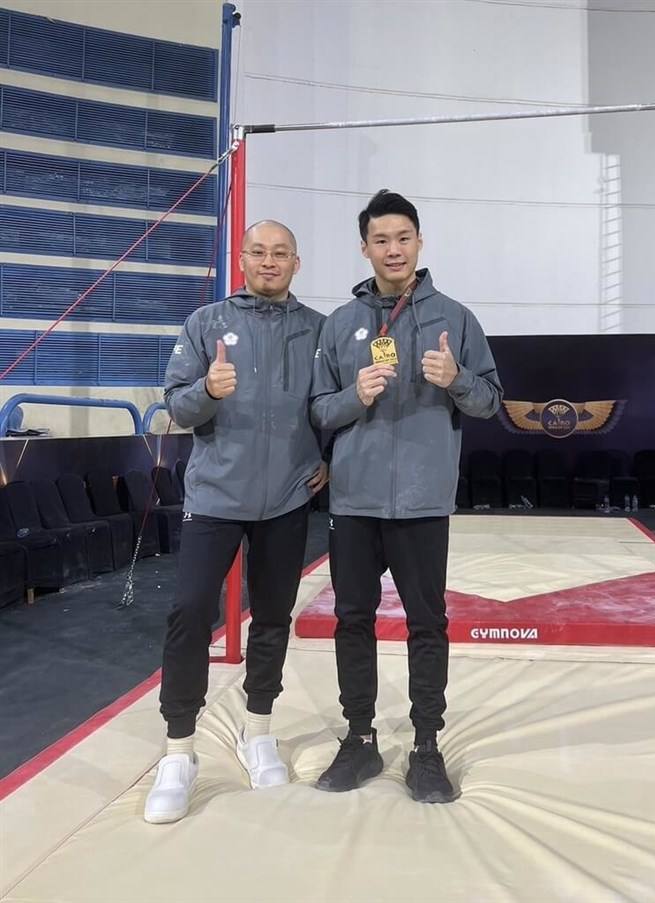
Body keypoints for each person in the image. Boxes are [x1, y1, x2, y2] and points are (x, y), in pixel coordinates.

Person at [310, 190, 502, 803]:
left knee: (427, 623)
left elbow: (492, 401)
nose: (393, 249)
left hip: (422, 501)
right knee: (352, 621)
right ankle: (360, 740)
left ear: (419, 242)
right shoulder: (339, 325)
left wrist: (458, 381)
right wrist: (353, 397)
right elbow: (318, 410)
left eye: (403, 238)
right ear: (364, 248)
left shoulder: (457, 318)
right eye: (380, 240)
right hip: (356, 503)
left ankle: (425, 747)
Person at [144, 220, 327, 824]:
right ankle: (179, 752)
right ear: (242, 258)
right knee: (190, 612)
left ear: (296, 263)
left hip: (286, 500)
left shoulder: (318, 331)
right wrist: (208, 389)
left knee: (274, 617)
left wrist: (324, 457)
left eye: (280, 254)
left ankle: (259, 729)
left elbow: (329, 408)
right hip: (217, 497)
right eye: (258, 252)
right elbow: (176, 404)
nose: (269, 262)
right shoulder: (205, 323)